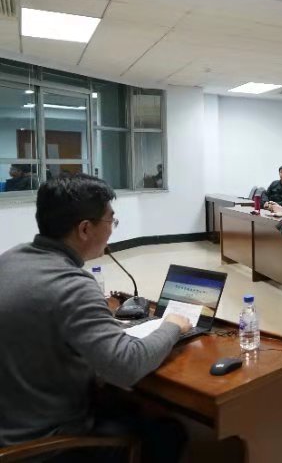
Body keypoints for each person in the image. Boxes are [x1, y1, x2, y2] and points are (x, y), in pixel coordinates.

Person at [0, 174, 192, 460]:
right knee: (168, 432)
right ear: (85, 229)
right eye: (111, 221)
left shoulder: (10, 259)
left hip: (15, 418)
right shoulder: (72, 285)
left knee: (129, 403)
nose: (112, 229)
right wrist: (173, 325)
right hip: (43, 446)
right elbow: (127, 366)